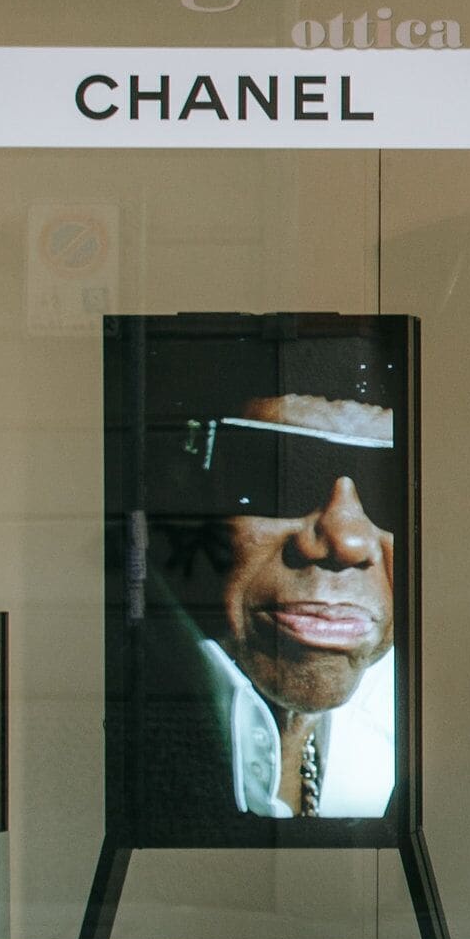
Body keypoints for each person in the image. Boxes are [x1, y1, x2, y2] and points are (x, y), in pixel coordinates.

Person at [120, 321, 404, 831]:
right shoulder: (110, 738)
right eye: (283, 471)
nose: (348, 540)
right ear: (181, 494)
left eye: (395, 494)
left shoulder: (426, 736)